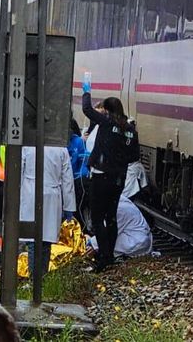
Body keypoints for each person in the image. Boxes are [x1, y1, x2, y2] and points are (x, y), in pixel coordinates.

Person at [80, 85, 139, 272]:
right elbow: (135, 155)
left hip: (101, 176)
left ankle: (103, 257)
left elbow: (87, 109)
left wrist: (86, 92)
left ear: (108, 111)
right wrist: (119, 163)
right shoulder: (130, 129)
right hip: (119, 178)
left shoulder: (106, 123)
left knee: (97, 218)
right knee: (111, 216)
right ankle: (110, 255)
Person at [19, 144, 76, 272]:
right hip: (52, 194)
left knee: (33, 240)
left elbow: (18, 173)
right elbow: (67, 179)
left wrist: (16, 198)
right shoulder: (60, 149)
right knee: (45, 242)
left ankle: (34, 278)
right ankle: (41, 277)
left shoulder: (28, 146)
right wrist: (69, 206)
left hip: (30, 193)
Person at [85, 196, 152, 260]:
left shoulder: (119, 208)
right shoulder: (117, 200)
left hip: (137, 243)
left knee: (104, 243)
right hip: (137, 236)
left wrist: (91, 242)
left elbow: (108, 231)